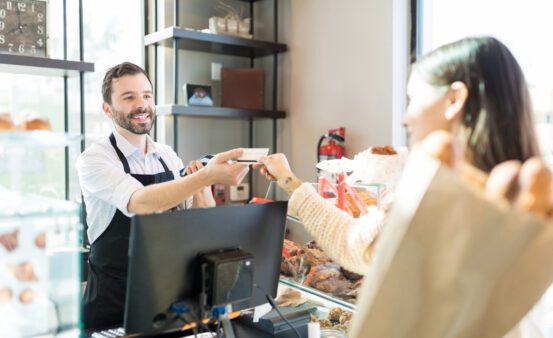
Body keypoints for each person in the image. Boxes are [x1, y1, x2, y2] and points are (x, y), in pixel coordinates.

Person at [258, 36, 548, 335]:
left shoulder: (432, 196)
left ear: (454, 100)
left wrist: (291, 183)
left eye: (414, 99)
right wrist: (291, 182)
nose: (405, 119)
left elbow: (352, 245)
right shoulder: (531, 211)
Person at [76, 62, 249, 329]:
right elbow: (139, 201)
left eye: (147, 95)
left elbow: (200, 221)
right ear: (107, 109)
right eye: (129, 97)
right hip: (113, 310)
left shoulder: (167, 156)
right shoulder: (95, 159)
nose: (142, 104)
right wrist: (204, 177)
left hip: (168, 303)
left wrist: (202, 186)